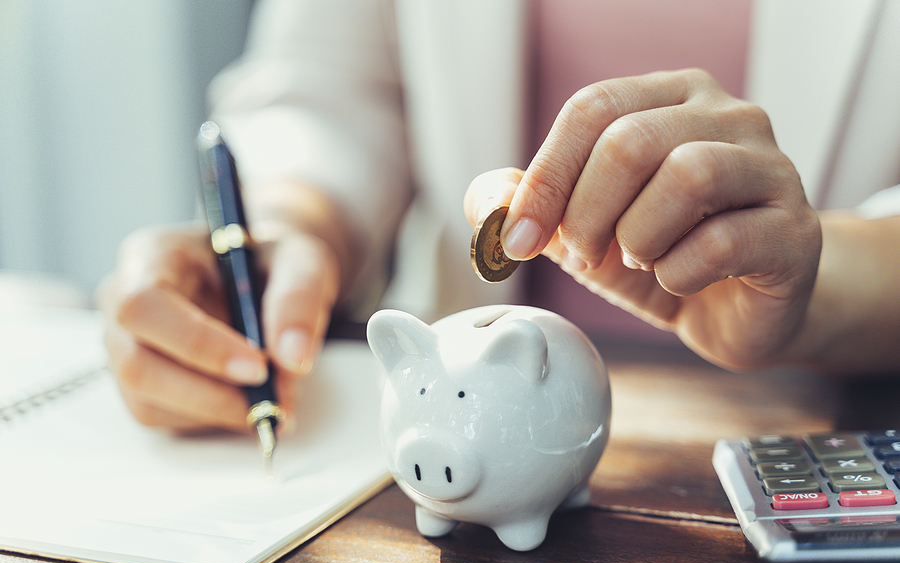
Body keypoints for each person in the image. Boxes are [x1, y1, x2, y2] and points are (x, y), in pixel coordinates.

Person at [99, 0, 900, 434]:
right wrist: (294, 221)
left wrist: (818, 283)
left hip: (839, 417)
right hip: (469, 405)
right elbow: (329, 87)